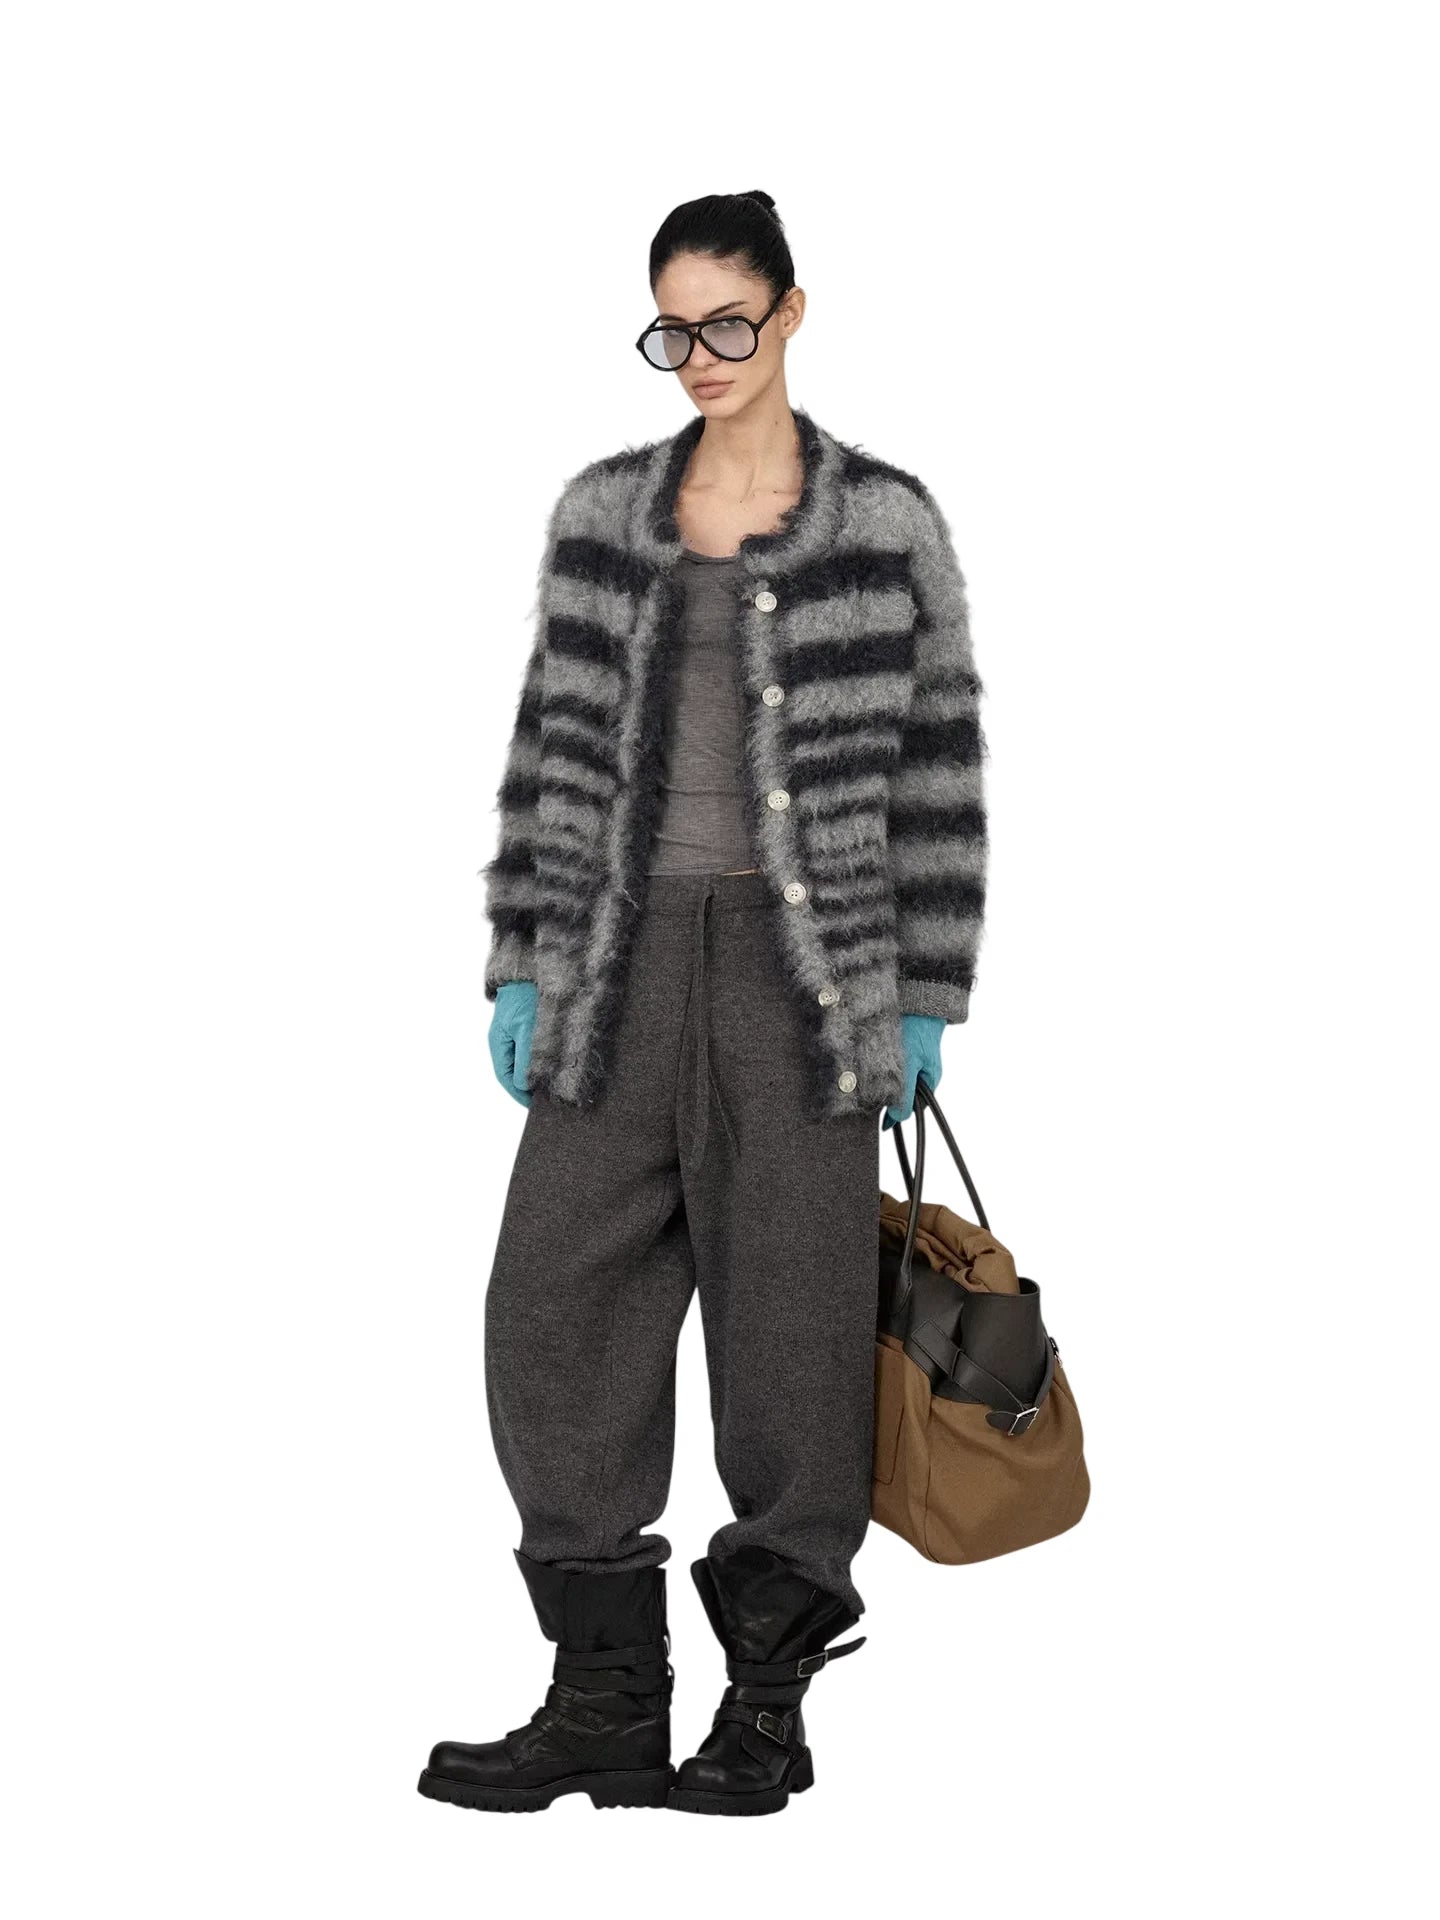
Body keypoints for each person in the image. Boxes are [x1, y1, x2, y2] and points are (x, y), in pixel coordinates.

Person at [418, 190, 988, 1817]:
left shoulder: (886, 522)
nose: (699, 355)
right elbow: (547, 748)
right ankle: (605, 1698)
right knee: (550, 1311)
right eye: (671, 329)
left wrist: (923, 993)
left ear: (791, 313)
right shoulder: (604, 512)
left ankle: (765, 1714)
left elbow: (939, 766)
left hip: (808, 991)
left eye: (727, 321)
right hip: (618, 963)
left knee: (792, 1339)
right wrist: (522, 956)